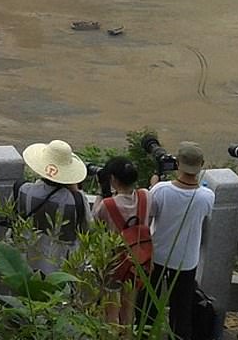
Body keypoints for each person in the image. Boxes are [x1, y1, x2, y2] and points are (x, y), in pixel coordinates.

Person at [144, 142, 214, 340]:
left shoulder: (160, 190)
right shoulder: (207, 196)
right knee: (181, 310)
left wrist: (152, 185)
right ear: (201, 164)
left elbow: (149, 218)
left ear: (177, 163)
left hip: (158, 255)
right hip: (187, 260)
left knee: (149, 304)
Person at [16, 139, 91, 274]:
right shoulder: (77, 199)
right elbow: (87, 228)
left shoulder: (24, 190)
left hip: (28, 259)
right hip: (61, 265)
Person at [92, 156, 149, 329]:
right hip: (139, 260)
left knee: (111, 310)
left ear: (113, 179)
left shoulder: (107, 205)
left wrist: (101, 191)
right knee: (128, 310)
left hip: (114, 262)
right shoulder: (145, 196)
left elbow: (95, 220)